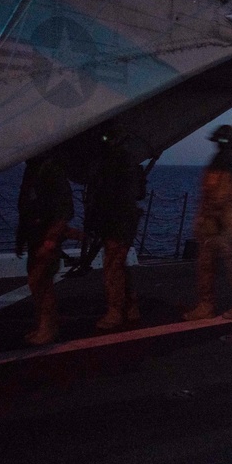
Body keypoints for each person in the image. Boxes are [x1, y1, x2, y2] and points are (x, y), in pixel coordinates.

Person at [184, 125, 232, 321]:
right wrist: (200, 219)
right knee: (205, 266)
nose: (219, 145)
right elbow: (206, 195)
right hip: (210, 224)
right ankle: (206, 305)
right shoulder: (215, 164)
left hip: (228, 225)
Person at [85, 124, 146, 331]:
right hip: (121, 219)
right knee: (117, 264)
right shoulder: (127, 161)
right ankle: (131, 306)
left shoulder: (114, 162)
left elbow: (109, 196)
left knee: (112, 265)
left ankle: (115, 312)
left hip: (117, 220)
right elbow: (138, 193)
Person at [16, 151, 76, 345]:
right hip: (35, 235)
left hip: (45, 236)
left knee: (42, 282)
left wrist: (50, 240)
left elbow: (65, 209)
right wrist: (21, 238)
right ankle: (44, 325)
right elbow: (27, 207)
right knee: (37, 283)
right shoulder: (33, 169)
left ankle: (48, 329)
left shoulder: (51, 169)